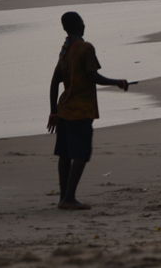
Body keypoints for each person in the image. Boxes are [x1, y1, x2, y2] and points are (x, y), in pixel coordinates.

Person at [47, 11, 128, 211]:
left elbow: (54, 83)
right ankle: (69, 198)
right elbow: (93, 77)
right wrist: (117, 82)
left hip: (64, 109)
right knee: (81, 153)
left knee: (65, 154)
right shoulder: (85, 48)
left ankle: (63, 197)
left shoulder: (65, 50)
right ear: (80, 26)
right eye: (82, 22)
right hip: (80, 109)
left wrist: (53, 112)